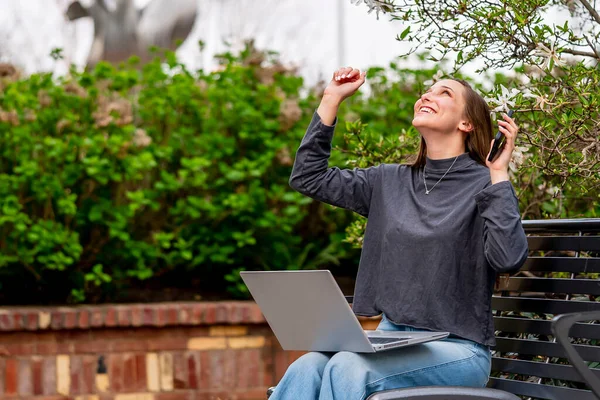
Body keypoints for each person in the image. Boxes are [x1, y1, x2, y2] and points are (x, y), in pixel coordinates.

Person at [269, 67, 529, 400]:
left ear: (467, 124)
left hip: (457, 350)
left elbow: (508, 258)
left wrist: (499, 174)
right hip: (390, 341)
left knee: (347, 367)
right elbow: (307, 178)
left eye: (444, 93)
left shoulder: (486, 185)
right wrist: (331, 98)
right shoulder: (389, 182)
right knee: (306, 367)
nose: (428, 95)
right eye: (428, 91)